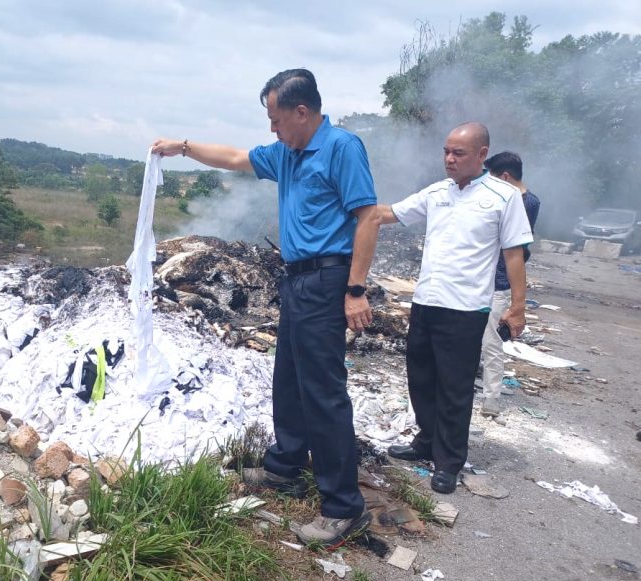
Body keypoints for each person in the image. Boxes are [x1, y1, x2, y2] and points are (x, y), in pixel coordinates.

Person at [151, 68, 380, 546]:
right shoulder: (287, 153)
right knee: (290, 376)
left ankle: (344, 507)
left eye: (276, 119)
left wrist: (355, 290)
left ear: (302, 111)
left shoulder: (341, 147)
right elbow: (235, 157)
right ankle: (286, 467)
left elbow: (367, 217)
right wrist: (183, 147)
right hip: (296, 278)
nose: (271, 129)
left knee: (323, 391)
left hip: (328, 276)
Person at [378, 123, 532, 494]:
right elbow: (388, 214)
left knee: (455, 387)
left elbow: (514, 255)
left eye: (458, 153)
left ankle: (449, 461)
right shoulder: (437, 192)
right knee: (421, 378)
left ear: (482, 155)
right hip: (426, 302)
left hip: (466, 309)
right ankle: (426, 440)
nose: (449, 159)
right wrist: (352, 206)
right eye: (446, 151)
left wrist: (518, 306)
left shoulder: (503, 197)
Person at [480, 151, 540, 417]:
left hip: (498, 283)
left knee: (491, 343)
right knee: (480, 340)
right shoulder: (530, 200)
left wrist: (518, 304)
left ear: (505, 177)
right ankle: (475, 391)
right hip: (486, 281)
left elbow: (516, 250)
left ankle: (491, 400)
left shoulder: (521, 202)